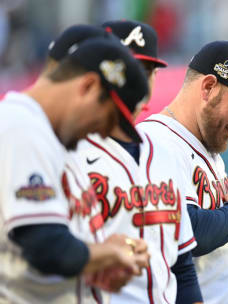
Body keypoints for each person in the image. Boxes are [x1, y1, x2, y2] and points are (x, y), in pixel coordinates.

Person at [0, 37, 151, 303]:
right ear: (88, 86)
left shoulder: (51, 137)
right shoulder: (20, 128)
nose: (103, 133)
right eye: (108, 119)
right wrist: (108, 254)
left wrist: (99, 257)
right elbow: (47, 247)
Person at [137, 40, 228, 303]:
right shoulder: (156, 141)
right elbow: (188, 233)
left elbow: (219, 260)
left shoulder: (209, 150)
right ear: (208, 87)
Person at [67, 19, 202, 304]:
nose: (135, 81)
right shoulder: (70, 155)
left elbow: (182, 266)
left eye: (145, 71)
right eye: (124, 68)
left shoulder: (165, 151)